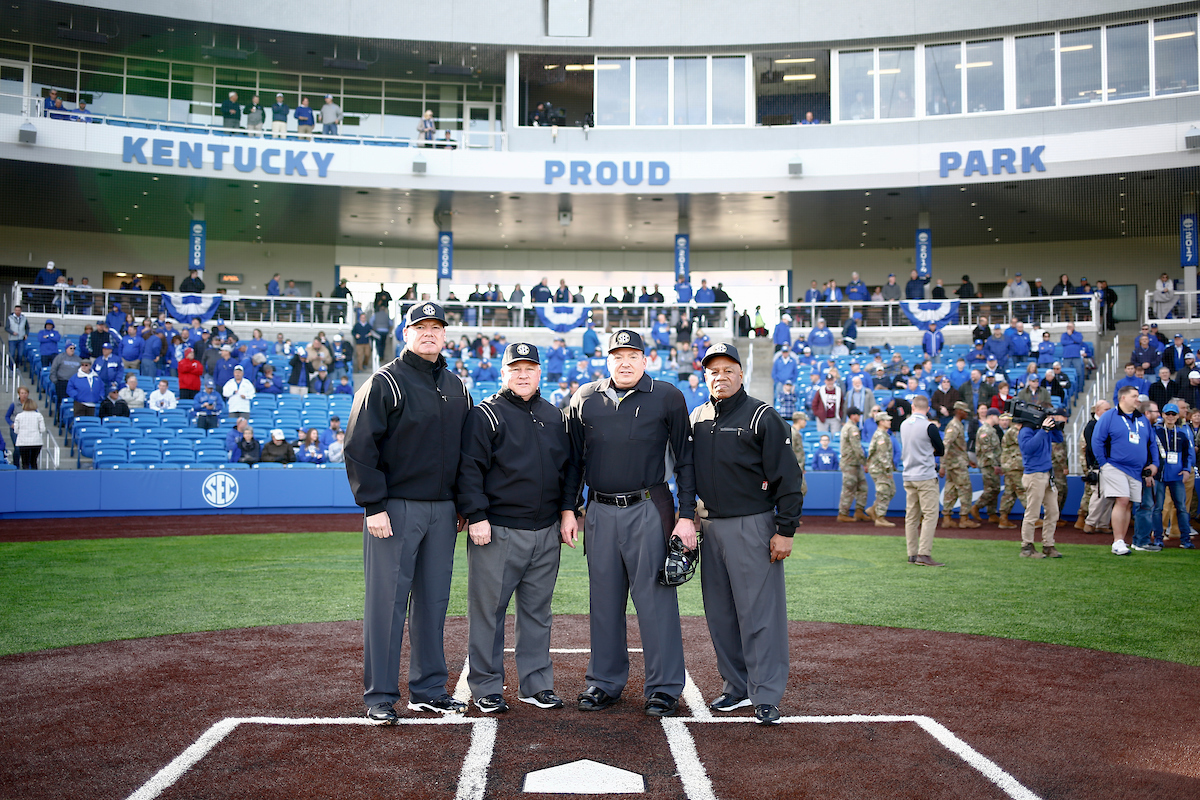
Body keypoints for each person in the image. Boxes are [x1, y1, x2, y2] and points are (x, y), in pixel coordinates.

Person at [345, 302, 473, 724]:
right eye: (421, 326)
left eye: (437, 327)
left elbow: (466, 454)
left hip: (444, 511)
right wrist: (373, 506)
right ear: (406, 332)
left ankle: (429, 689)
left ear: (445, 335)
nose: (430, 333)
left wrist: (463, 504)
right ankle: (380, 695)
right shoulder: (385, 382)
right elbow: (359, 447)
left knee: (434, 603)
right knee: (388, 603)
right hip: (395, 510)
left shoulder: (457, 386)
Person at [565, 329, 696, 718]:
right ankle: (605, 682)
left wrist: (687, 515)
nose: (625, 362)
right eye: (617, 355)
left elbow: (685, 459)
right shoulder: (585, 397)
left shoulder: (668, 396)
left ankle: (664, 687)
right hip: (599, 510)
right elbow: (573, 461)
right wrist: (567, 509)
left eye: (632, 355)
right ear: (607, 359)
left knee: (655, 600)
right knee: (603, 602)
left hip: (647, 506)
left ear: (645, 359)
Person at [455, 343, 577, 714]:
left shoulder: (554, 416)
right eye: (515, 368)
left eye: (530, 368)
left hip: (546, 530)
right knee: (489, 610)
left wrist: (568, 510)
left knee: (537, 611)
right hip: (498, 530)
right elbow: (469, 469)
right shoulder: (486, 414)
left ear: (540, 373)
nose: (523, 374)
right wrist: (476, 515)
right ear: (502, 373)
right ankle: (487, 685)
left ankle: (535, 684)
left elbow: (570, 469)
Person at [688, 343, 801, 725]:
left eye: (727, 369)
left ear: (740, 374)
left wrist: (785, 531)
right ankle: (735, 687)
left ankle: (765, 692)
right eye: (712, 371)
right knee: (720, 614)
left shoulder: (762, 416)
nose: (720, 376)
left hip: (752, 524)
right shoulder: (698, 417)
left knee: (760, 614)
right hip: (709, 526)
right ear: (705, 376)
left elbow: (789, 478)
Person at [1090, 386, 1158, 555]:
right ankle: (1118, 542)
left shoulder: (1142, 418)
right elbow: (1097, 440)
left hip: (1136, 470)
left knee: (1128, 504)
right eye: (1134, 396)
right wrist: (1104, 464)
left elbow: (1152, 443)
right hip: (1115, 466)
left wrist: (1155, 463)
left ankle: (1121, 541)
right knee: (1122, 499)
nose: (1138, 399)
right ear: (1123, 398)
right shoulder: (1109, 417)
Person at [899, 396, 945, 565]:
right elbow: (941, 449)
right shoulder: (929, 426)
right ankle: (924, 554)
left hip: (908, 474)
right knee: (930, 515)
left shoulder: (904, 424)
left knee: (911, 516)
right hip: (925, 475)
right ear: (927, 408)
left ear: (912, 407)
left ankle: (912, 553)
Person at [1017, 409, 1064, 558]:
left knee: (1053, 511)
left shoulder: (1043, 430)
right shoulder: (1026, 430)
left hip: (1047, 474)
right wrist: (1043, 430)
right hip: (1034, 475)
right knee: (1033, 513)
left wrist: (1053, 427)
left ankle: (1048, 544)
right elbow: (1028, 448)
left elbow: (1059, 438)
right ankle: (1027, 547)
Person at [1152, 403, 1194, 549]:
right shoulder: (1155, 432)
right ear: (1163, 415)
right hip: (1160, 476)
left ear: (1177, 416)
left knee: (1181, 508)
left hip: (1177, 476)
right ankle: (1158, 538)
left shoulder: (1182, 434)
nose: (1170, 417)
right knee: (1158, 508)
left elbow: (1188, 454)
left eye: (1173, 414)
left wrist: (1186, 470)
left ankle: (1186, 540)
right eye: (1167, 414)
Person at [938, 401, 979, 529]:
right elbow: (946, 445)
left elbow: (959, 447)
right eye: (965, 412)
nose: (967, 414)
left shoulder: (957, 425)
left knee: (950, 490)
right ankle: (964, 518)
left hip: (956, 463)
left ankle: (947, 518)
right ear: (959, 411)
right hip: (956, 465)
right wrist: (942, 465)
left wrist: (968, 460)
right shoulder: (954, 426)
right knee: (965, 489)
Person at [836, 407, 870, 522]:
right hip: (850, 463)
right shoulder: (852, 428)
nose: (859, 417)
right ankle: (843, 513)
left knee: (862, 487)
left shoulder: (847, 427)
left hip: (853, 463)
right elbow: (857, 448)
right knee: (849, 488)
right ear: (852, 416)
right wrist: (864, 463)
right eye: (858, 415)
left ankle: (859, 511)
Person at [866, 412, 896, 527]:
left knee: (891, 491)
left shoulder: (883, 434)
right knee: (884, 491)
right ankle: (880, 518)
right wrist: (888, 470)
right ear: (881, 422)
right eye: (887, 420)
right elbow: (882, 455)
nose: (889, 422)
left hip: (881, 468)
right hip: (880, 468)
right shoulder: (881, 435)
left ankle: (873, 509)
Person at [12, 399, 45, 469]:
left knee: (25, 462)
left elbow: (16, 430)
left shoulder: (19, 416)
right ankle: (35, 478)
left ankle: (25, 478)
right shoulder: (38, 415)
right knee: (34, 461)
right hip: (36, 442)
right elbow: (42, 429)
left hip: (23, 442)